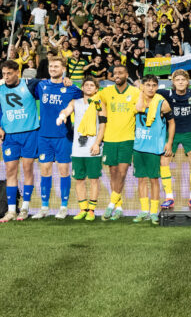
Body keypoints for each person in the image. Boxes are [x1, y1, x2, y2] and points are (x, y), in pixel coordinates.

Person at [32, 57, 82, 220]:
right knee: (44, 171)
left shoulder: (72, 88)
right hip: (44, 135)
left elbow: (86, 97)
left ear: (63, 69)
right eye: (51, 66)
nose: (53, 68)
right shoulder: (41, 85)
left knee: (64, 171)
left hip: (63, 136)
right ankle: (44, 207)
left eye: (56, 66)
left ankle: (63, 207)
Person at [0, 61, 41, 223]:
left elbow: (50, 85)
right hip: (10, 136)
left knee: (28, 170)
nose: (6, 77)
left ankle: (25, 208)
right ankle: (12, 210)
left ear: (17, 72)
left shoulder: (31, 84)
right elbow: (2, 109)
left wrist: (65, 80)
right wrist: (1, 126)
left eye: (9, 73)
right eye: (4, 74)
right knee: (10, 172)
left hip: (29, 133)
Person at [56, 77, 106, 221]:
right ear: (82, 88)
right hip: (77, 148)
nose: (89, 87)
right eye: (86, 85)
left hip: (93, 148)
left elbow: (102, 126)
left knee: (94, 180)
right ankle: (82, 209)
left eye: (92, 85)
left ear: (97, 89)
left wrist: (97, 143)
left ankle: (91, 210)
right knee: (79, 179)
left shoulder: (99, 104)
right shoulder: (75, 102)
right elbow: (66, 110)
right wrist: (62, 116)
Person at [95, 65, 140, 220]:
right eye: (115, 73)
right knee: (113, 173)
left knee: (122, 173)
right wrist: (100, 112)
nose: (118, 75)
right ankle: (119, 207)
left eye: (121, 72)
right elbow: (95, 101)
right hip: (109, 138)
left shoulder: (135, 92)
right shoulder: (106, 92)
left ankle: (110, 204)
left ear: (127, 74)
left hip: (127, 138)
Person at [132, 75, 175, 225]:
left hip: (154, 148)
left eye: (153, 85)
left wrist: (169, 143)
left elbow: (171, 122)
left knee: (154, 180)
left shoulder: (162, 103)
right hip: (138, 146)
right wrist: (140, 94)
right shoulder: (138, 98)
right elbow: (137, 109)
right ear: (143, 86)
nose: (151, 88)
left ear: (157, 87)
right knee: (141, 180)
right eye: (148, 85)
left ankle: (153, 212)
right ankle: (144, 210)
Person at [158, 69, 191, 210]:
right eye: (177, 80)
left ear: (188, 82)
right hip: (171, 133)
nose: (181, 82)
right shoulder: (166, 93)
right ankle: (169, 197)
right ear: (173, 82)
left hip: (189, 133)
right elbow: (147, 91)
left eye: (183, 80)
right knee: (164, 161)